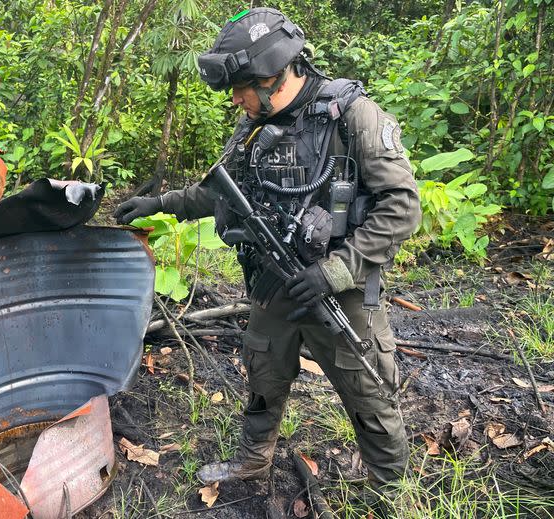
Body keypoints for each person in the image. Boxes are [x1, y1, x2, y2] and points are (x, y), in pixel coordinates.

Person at [114, 7, 421, 499]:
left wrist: (337, 270)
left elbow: (403, 207)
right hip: (272, 281)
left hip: (339, 293)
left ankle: (389, 490)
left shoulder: (351, 115)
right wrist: (163, 203)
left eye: (242, 88)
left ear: (274, 76)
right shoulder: (253, 125)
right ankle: (252, 464)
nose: (236, 100)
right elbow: (224, 191)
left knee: (368, 391)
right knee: (262, 375)